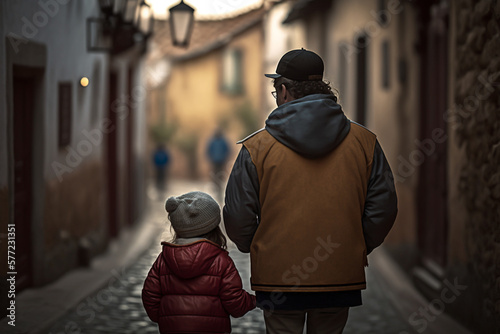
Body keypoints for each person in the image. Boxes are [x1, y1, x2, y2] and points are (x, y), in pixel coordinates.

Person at [223, 48, 398, 334]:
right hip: (340, 273)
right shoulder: (365, 142)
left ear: (283, 90)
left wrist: (260, 246)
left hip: (278, 277)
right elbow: (384, 206)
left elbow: (238, 214)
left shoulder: (257, 148)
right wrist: (354, 244)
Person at [142, 191, 256, 334]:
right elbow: (235, 303)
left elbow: (149, 296)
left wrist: (165, 318)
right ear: (214, 228)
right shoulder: (221, 261)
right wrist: (254, 301)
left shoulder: (163, 260)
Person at [206, 129, 230, 201]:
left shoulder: (222, 142)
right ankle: (216, 186)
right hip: (215, 161)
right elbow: (208, 150)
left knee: (220, 174)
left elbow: (228, 150)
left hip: (221, 161)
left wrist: (225, 158)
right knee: (215, 174)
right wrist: (210, 157)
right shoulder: (213, 142)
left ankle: (219, 187)